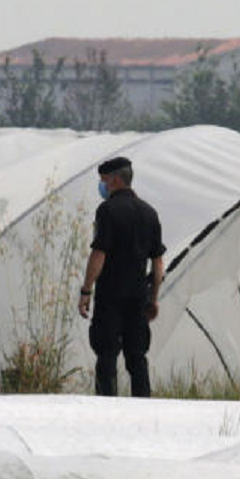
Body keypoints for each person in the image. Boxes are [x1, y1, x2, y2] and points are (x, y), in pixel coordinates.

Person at [78, 157, 165, 397]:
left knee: (107, 356)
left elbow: (99, 254)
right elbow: (157, 264)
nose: (103, 186)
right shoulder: (150, 213)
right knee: (137, 358)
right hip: (138, 297)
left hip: (110, 297)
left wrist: (86, 290)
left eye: (104, 181)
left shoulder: (107, 211)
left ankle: (106, 407)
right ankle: (144, 407)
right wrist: (153, 299)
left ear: (115, 179)